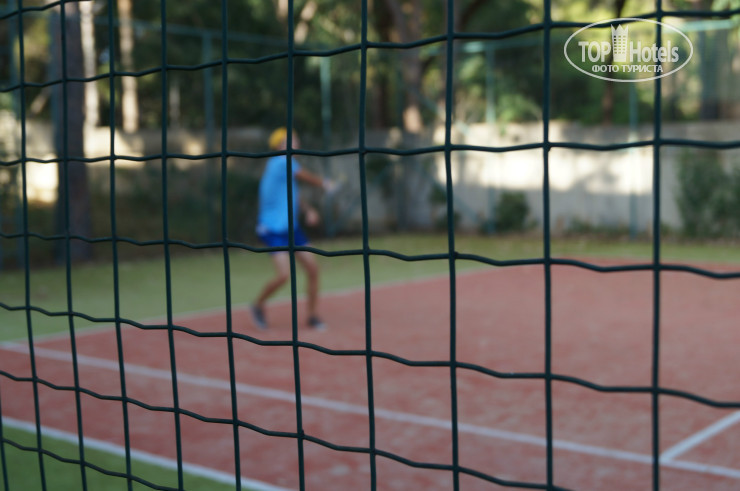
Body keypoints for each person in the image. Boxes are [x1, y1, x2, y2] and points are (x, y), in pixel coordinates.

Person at [251, 128, 331, 331]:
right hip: (272, 229)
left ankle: (312, 316)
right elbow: (305, 176)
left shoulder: (284, 167)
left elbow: (292, 193)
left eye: (296, 140)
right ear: (279, 145)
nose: (296, 144)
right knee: (284, 276)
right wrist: (325, 183)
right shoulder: (280, 162)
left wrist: (307, 209)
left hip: (291, 228)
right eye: (291, 140)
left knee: (313, 269)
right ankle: (258, 305)